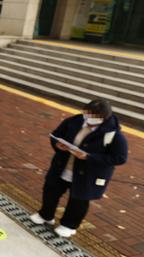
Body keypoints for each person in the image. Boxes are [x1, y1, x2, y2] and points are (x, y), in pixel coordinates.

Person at [30, 99, 128, 238]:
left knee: (79, 200)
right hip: (62, 167)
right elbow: (57, 134)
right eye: (87, 114)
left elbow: (120, 158)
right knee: (50, 191)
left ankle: (69, 225)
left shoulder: (114, 135)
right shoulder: (74, 121)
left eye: (94, 116)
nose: (89, 118)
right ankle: (45, 215)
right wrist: (57, 144)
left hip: (88, 174)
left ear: (104, 117)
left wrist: (89, 157)